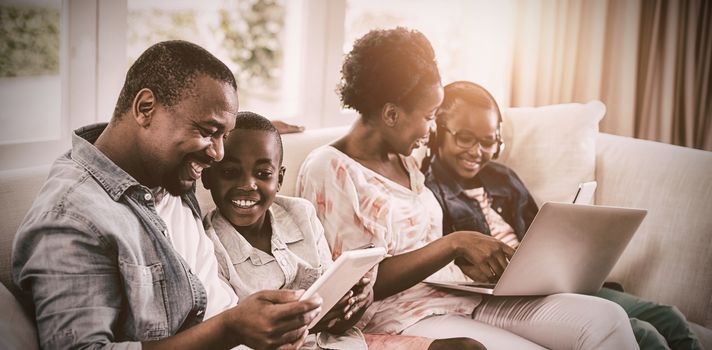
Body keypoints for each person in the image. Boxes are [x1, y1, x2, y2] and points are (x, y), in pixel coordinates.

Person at [296, 27, 638, 349]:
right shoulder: (329, 169)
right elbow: (358, 286)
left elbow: (422, 246)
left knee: (605, 319)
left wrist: (476, 267)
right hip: (400, 317)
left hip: (460, 295)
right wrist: (456, 244)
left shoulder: (404, 160)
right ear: (390, 114)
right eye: (430, 116)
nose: (432, 131)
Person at [12, 40, 322, 350]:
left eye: (224, 136)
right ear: (145, 108)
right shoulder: (72, 219)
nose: (218, 154)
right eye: (209, 131)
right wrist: (231, 329)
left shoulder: (166, 171)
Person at [422, 80, 703, 350]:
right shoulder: (426, 190)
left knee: (671, 318)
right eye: (465, 138)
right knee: (642, 333)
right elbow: (444, 267)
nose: (477, 151)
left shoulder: (502, 178)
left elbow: (538, 231)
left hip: (550, 280)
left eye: (488, 141)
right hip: (503, 295)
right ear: (437, 132)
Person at [201, 111, 484, 350]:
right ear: (207, 177)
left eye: (263, 174)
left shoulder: (300, 213)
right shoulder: (208, 245)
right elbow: (235, 334)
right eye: (229, 172)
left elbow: (334, 317)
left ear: (279, 178)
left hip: (343, 343)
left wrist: (357, 300)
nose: (249, 185)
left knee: (467, 348)